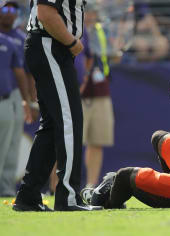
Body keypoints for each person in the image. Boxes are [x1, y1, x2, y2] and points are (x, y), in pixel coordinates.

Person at [13, 0, 101, 211]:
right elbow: (45, 12)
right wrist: (72, 42)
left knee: (52, 126)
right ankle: (68, 196)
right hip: (49, 44)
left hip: (50, 46)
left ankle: (28, 196)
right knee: (70, 120)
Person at [0, 1, 37, 197]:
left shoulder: (21, 39)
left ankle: (5, 187)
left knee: (11, 143)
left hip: (12, 94)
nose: (9, 13)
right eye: (5, 9)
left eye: (13, 10)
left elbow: (27, 72)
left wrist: (29, 100)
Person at [79, 5, 115, 188]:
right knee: (69, 142)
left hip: (101, 91)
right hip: (78, 92)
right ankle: (57, 186)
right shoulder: (73, 28)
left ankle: (90, 186)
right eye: (88, 10)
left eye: (93, 10)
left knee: (97, 140)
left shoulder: (103, 30)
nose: (91, 14)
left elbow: (113, 57)